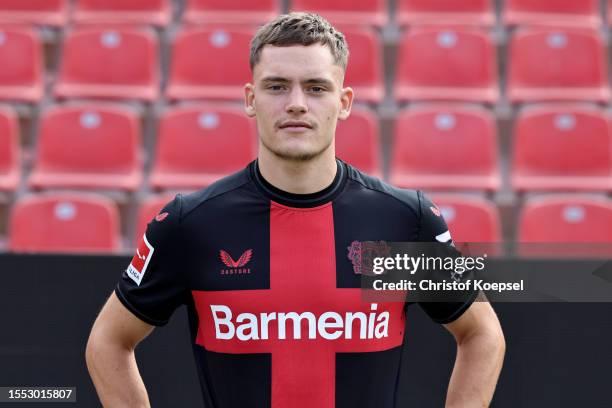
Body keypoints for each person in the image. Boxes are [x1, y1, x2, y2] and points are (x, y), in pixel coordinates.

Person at [86, 12, 505, 408]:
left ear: (344, 102)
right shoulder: (191, 224)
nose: (297, 103)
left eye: (317, 88)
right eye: (277, 86)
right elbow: (108, 342)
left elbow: (481, 334)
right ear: (251, 98)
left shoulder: (401, 220)